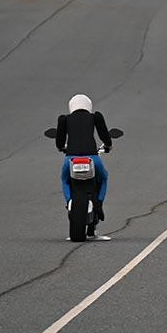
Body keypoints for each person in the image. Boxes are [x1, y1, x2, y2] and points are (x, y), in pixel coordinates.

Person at [56, 94, 112, 239]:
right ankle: (98, 204)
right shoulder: (95, 117)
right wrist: (108, 145)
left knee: (65, 179)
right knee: (104, 178)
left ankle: (69, 202)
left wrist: (63, 147)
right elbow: (104, 135)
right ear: (89, 106)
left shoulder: (64, 119)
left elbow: (59, 142)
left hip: (71, 159)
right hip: (92, 157)